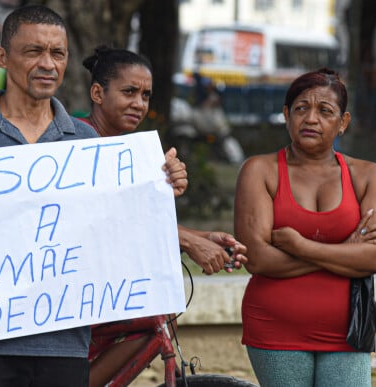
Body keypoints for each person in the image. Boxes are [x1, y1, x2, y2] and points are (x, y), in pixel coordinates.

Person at [0, 6, 186, 387]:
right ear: (3, 57)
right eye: (33, 51)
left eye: (58, 53)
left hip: (65, 345)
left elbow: (119, 226)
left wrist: (163, 183)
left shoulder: (85, 142)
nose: (48, 64)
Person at [79, 45, 248, 387]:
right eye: (129, 92)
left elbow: (136, 220)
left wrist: (202, 237)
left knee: (155, 316)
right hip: (74, 290)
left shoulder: (129, 152)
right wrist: (187, 241)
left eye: (145, 95)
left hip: (102, 285)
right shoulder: (77, 140)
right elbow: (101, 220)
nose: (139, 103)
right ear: (98, 92)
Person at [234, 68, 376, 386]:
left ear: (343, 122)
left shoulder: (368, 176)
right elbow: (257, 259)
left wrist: (299, 245)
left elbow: (374, 259)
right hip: (276, 329)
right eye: (301, 108)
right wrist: (345, 251)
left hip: (347, 332)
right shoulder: (260, 170)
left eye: (325, 110)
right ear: (286, 115)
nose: (311, 119)